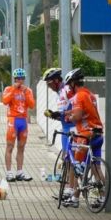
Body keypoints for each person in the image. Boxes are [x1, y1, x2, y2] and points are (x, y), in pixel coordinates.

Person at [60, 68, 105, 208]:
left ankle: (74, 198)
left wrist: (69, 118)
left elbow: (78, 116)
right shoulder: (89, 95)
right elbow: (85, 111)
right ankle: (104, 197)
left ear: (73, 83)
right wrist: (66, 112)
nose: (69, 88)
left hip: (85, 135)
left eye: (69, 85)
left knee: (77, 166)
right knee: (96, 168)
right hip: (97, 133)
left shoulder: (79, 96)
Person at [42, 67, 75, 200]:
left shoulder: (66, 90)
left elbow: (74, 109)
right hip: (66, 128)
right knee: (67, 160)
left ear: (56, 80)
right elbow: (64, 113)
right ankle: (69, 189)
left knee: (70, 161)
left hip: (72, 129)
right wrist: (54, 115)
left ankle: (70, 190)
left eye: (49, 83)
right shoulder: (60, 91)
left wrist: (58, 114)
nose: (49, 87)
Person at [1, 68, 36, 182]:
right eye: (18, 79)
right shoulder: (9, 89)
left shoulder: (28, 90)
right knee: (10, 146)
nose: (20, 81)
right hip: (13, 120)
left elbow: (32, 105)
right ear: (14, 79)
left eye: (22, 79)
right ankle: (9, 172)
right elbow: (5, 101)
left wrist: (25, 92)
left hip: (23, 121)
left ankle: (20, 172)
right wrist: (13, 89)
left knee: (21, 147)